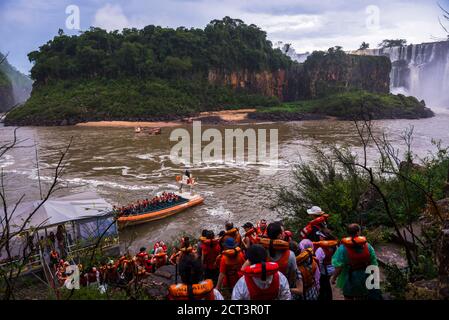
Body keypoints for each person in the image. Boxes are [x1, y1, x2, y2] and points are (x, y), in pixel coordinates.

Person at [331, 223, 378, 300]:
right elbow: (374, 263)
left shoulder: (342, 248)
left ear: (348, 233)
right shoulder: (368, 246)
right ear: (357, 232)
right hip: (364, 277)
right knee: (362, 296)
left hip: (348, 278)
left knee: (348, 297)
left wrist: (334, 278)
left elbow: (338, 266)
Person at [259, 222, 298, 288]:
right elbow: (293, 275)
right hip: (284, 287)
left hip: (268, 287)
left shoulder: (262, 252)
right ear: (280, 236)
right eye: (283, 232)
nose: (284, 233)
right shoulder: (290, 255)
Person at [313, 233, 338, 300]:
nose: (319, 237)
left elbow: (317, 263)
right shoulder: (335, 246)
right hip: (332, 270)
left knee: (323, 290)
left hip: (324, 272)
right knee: (328, 288)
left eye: (321, 236)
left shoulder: (321, 249)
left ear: (325, 238)